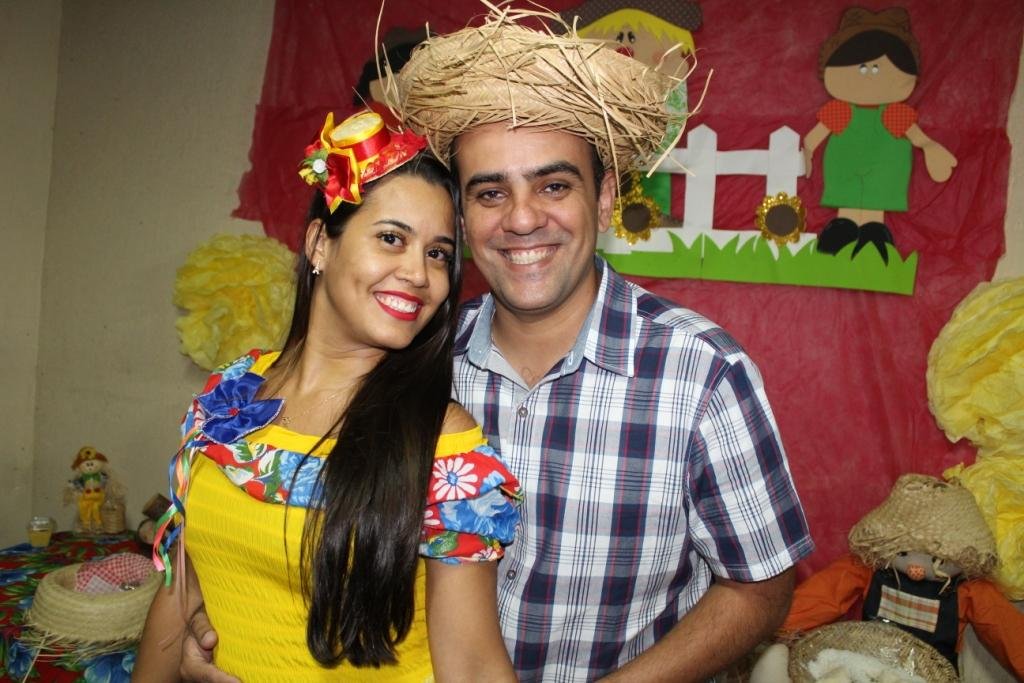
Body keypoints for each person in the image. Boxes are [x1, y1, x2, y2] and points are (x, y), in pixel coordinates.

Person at [181, 7, 814, 682]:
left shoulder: (702, 372)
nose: (521, 218)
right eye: (489, 193)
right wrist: (212, 619)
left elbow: (759, 587)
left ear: (604, 200)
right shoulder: (406, 356)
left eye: (553, 185)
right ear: (461, 216)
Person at [134, 110, 521, 683]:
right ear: (320, 244)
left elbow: (472, 664)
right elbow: (182, 583)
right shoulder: (231, 392)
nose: (419, 274)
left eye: (438, 253)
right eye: (392, 239)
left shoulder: (444, 446)